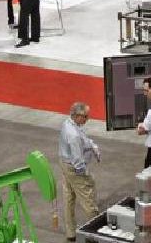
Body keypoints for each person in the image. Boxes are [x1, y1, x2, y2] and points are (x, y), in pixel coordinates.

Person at [59, 102, 100, 242]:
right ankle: (94, 233)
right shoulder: (73, 135)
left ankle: (70, 233)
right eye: (85, 117)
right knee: (88, 198)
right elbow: (78, 161)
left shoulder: (68, 123)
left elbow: (83, 138)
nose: (87, 119)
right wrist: (86, 176)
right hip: (74, 168)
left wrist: (91, 146)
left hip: (64, 164)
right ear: (77, 116)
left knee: (69, 198)